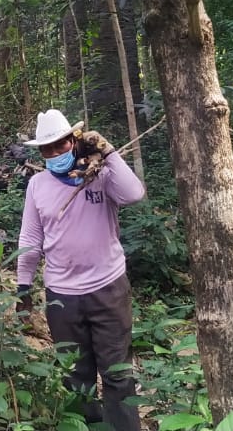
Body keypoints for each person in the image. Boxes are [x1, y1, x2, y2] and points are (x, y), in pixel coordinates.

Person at [16, 109, 145, 431]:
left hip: (108, 288)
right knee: (75, 374)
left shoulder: (100, 174)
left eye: (60, 145)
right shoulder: (38, 185)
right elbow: (31, 238)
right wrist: (23, 286)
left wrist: (108, 152)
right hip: (62, 295)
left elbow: (133, 194)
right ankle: (87, 425)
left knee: (117, 372)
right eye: (47, 149)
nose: (54, 153)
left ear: (74, 142)